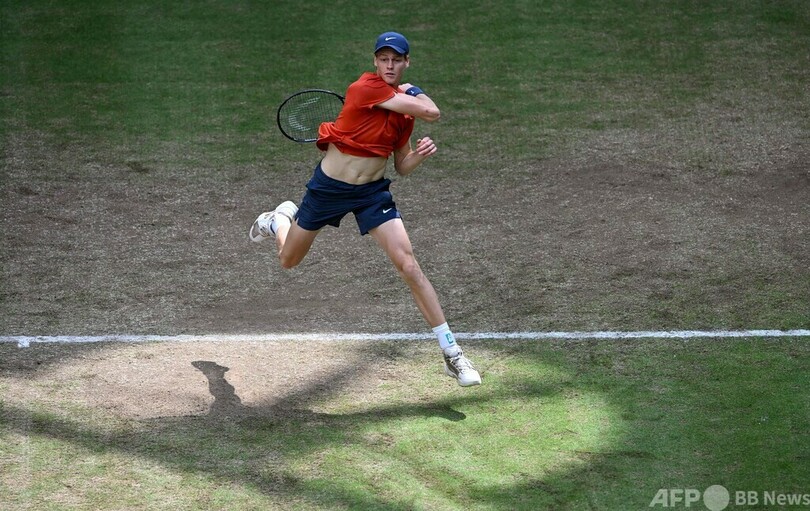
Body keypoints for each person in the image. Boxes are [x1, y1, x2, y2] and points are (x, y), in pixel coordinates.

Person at [249, 31, 481, 387]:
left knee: (408, 265)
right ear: (375, 62)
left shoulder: (403, 115)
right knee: (288, 260)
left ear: (406, 62)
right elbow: (433, 111)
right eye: (384, 59)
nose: (389, 65)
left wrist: (417, 155)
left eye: (396, 60)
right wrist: (414, 91)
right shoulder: (365, 88)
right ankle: (279, 219)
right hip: (329, 189)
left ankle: (452, 354)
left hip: (371, 192)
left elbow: (401, 165)